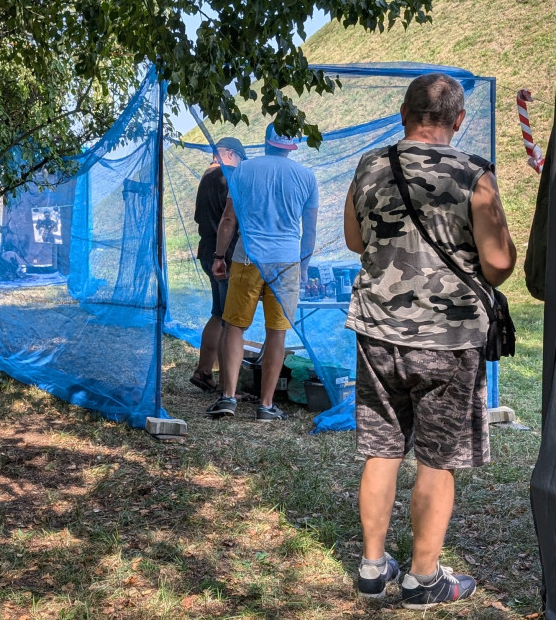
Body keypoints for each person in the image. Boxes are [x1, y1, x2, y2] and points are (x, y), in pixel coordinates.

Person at [342, 74, 516, 609]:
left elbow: (354, 240)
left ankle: (373, 569)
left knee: (381, 449)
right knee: (437, 460)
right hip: (450, 339)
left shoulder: (370, 165)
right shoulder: (474, 176)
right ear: (458, 121)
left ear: (402, 112)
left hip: (377, 331)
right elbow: (500, 264)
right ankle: (424, 578)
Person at [208, 123, 318, 421]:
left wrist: (220, 256)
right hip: (286, 263)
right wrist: (304, 267)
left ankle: (228, 397)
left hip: (247, 258)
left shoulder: (243, 171)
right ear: (291, 146)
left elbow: (228, 220)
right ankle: (266, 405)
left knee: (234, 326)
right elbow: (309, 232)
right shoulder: (306, 177)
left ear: (266, 141)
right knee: (277, 332)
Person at [189, 137, 246, 392]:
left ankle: (203, 371)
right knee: (229, 320)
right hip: (224, 256)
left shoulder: (206, 177)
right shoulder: (228, 176)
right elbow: (231, 219)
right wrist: (223, 254)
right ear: (231, 154)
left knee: (219, 314)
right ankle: (227, 386)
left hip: (207, 251)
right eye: (241, 160)